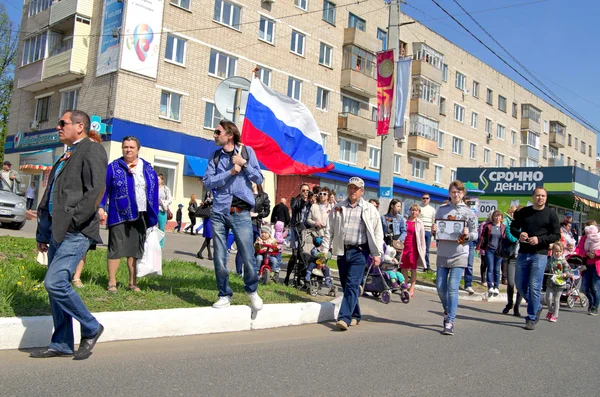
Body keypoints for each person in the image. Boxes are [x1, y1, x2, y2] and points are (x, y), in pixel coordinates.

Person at [32, 110, 107, 359]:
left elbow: (96, 190)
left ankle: (91, 327)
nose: (58, 127)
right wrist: (43, 232)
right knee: (56, 290)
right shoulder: (66, 154)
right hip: (56, 230)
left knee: (54, 282)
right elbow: (51, 194)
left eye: (62, 123)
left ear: (79, 126)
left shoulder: (92, 149)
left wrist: (75, 222)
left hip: (75, 231)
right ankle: (62, 342)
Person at [202, 120, 263, 310]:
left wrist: (243, 164)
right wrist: (230, 172)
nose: (214, 135)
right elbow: (207, 182)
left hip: (240, 212)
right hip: (219, 212)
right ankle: (224, 294)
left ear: (229, 134)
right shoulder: (215, 157)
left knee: (247, 255)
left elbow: (259, 178)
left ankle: (252, 290)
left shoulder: (246, 152)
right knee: (220, 257)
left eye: (217, 132)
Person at [321, 177, 384, 331]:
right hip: (342, 251)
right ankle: (356, 315)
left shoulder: (369, 209)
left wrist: (378, 253)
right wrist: (324, 250)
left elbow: (377, 232)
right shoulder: (339, 207)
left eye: (356, 188)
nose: (353, 191)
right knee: (346, 284)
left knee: (352, 283)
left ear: (362, 191)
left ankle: (344, 318)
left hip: (360, 252)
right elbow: (329, 230)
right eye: (350, 187)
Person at [99, 136, 159, 294]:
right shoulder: (113, 167)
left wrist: (154, 215)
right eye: (125, 147)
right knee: (116, 248)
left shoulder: (147, 168)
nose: (128, 150)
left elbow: (154, 191)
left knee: (134, 250)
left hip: (141, 214)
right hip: (118, 213)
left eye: (132, 147)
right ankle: (112, 282)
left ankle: (132, 283)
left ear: (138, 149)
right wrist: (101, 206)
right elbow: (104, 188)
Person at [509, 187, 561, 330]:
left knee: (534, 286)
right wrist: (519, 235)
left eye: (543, 196)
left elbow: (556, 235)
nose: (540, 198)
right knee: (519, 284)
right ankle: (537, 306)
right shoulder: (523, 212)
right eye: (538, 195)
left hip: (540, 254)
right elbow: (512, 227)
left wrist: (540, 239)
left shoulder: (551, 214)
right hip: (523, 252)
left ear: (546, 197)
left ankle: (531, 317)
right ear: (533, 197)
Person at [432, 180, 477, 336]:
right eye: (453, 191)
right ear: (449, 193)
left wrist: (468, 235)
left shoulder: (469, 212)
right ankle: (447, 309)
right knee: (439, 286)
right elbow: (437, 230)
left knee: (452, 288)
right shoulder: (441, 210)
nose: (455, 194)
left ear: (463, 194)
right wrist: (434, 230)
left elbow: (475, 233)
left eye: (458, 192)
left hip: (460, 253)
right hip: (443, 252)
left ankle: (450, 321)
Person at [235, 182, 270, 274]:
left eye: (252, 180)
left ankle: (250, 271)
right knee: (241, 247)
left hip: (255, 223)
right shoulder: (244, 193)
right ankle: (239, 272)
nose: (250, 182)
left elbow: (267, 211)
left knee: (254, 249)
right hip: (243, 222)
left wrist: (257, 214)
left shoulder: (263, 196)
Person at [285, 184, 311, 285]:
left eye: (307, 190)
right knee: (295, 254)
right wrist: (303, 201)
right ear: (300, 191)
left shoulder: (309, 203)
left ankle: (299, 279)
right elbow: (295, 207)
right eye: (303, 190)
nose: (305, 192)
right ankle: (287, 277)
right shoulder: (295, 200)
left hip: (305, 231)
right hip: (296, 228)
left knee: (303, 254)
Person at [400, 204, 427, 298]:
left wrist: (423, 251)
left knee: (413, 268)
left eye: (416, 210)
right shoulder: (404, 221)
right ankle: (405, 286)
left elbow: (422, 238)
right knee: (404, 267)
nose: (414, 212)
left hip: (414, 247)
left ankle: (412, 287)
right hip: (404, 246)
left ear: (419, 212)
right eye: (412, 210)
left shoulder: (419, 223)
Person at [574, 220, 600, 316]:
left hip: (597, 265)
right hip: (586, 265)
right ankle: (592, 301)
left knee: (595, 287)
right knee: (585, 288)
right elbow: (579, 249)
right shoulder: (584, 238)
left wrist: (596, 254)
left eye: (590, 227)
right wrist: (586, 253)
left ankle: (595, 307)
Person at [478, 210, 506, 297]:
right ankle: (490, 286)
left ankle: (496, 286)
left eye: (499, 216)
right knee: (490, 268)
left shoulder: (503, 227)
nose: (498, 218)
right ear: (493, 217)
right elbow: (482, 236)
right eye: (496, 216)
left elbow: (505, 239)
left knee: (497, 269)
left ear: (501, 218)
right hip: (489, 249)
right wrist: (478, 247)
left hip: (499, 251)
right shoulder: (488, 226)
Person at [502, 206, 522, 316]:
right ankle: (509, 303)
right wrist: (520, 234)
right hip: (512, 258)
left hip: (522, 259)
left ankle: (517, 307)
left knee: (520, 285)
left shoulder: (526, 227)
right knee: (510, 283)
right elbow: (512, 238)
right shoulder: (509, 226)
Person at [544, 242, 571, 323]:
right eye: (556, 251)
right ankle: (550, 310)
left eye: (560, 251)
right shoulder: (550, 260)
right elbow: (546, 267)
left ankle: (555, 315)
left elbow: (568, 271)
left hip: (560, 283)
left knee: (556, 299)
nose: (558, 253)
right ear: (552, 251)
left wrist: (565, 274)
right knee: (548, 298)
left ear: (562, 252)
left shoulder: (563, 261)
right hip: (550, 282)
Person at [419, 194, 436, 271]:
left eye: (427, 198)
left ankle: (426, 266)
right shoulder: (418, 208)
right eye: (424, 198)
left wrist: (433, 230)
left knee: (427, 249)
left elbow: (434, 220)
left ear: (429, 199)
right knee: (418, 248)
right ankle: (416, 264)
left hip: (428, 231)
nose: (425, 199)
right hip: (419, 231)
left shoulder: (432, 209)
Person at [197, 190, 214, 260]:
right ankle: (200, 252)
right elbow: (207, 202)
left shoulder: (218, 190)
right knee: (209, 236)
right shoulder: (209, 192)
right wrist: (204, 203)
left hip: (214, 216)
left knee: (209, 236)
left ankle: (209, 254)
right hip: (209, 215)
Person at [157, 174, 172, 246]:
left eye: (158, 179)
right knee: (151, 227)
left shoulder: (166, 189)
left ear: (162, 180)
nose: (157, 181)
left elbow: (170, 199)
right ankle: (151, 244)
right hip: (154, 209)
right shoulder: (153, 187)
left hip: (162, 210)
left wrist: (163, 202)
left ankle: (160, 245)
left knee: (161, 228)